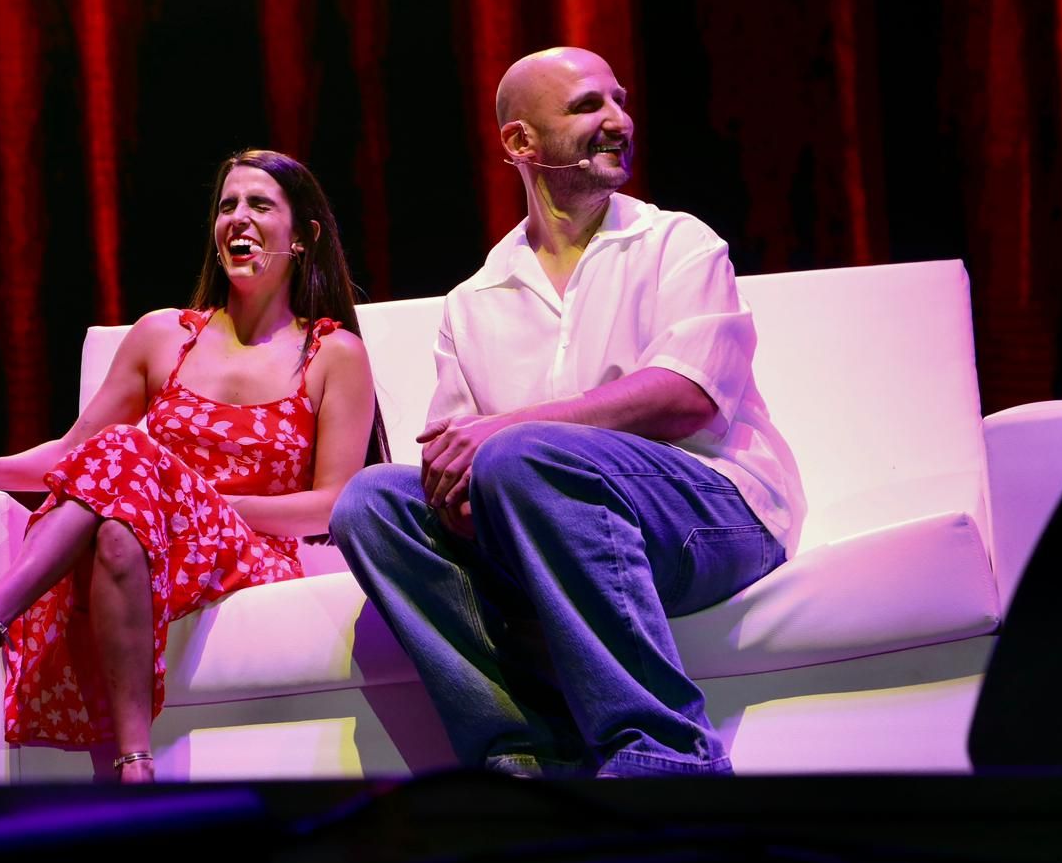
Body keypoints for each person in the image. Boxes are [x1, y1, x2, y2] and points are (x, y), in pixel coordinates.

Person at [329, 47, 804, 778]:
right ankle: (520, 755)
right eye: (589, 106)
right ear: (520, 143)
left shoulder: (677, 242)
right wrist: (464, 490)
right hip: (552, 530)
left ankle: (663, 752)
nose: (619, 121)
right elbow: (452, 459)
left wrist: (511, 434)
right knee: (372, 504)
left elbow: (688, 397)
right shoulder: (474, 298)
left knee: (526, 452)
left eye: (620, 100)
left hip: (712, 516)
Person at [0, 149, 384, 783]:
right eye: (227, 205)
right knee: (119, 529)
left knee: (131, 461)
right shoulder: (162, 336)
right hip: (151, 536)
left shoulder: (332, 353)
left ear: (304, 235)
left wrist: (188, 502)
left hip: (252, 554)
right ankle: (133, 766)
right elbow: (76, 451)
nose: (238, 218)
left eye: (260, 205)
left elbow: (332, 503)